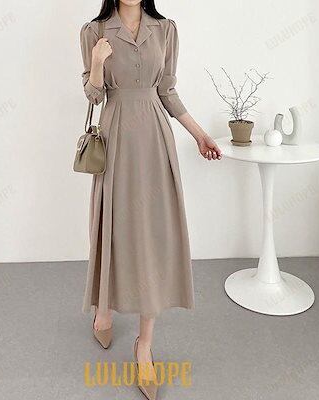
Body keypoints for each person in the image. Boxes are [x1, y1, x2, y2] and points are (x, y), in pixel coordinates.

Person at [79, 1, 222, 398]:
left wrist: (199, 134)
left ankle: (144, 344)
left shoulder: (166, 28)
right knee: (115, 229)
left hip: (156, 140)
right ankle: (103, 308)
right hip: (116, 138)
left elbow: (167, 91)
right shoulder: (94, 30)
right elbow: (93, 96)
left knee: (154, 235)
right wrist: (97, 62)